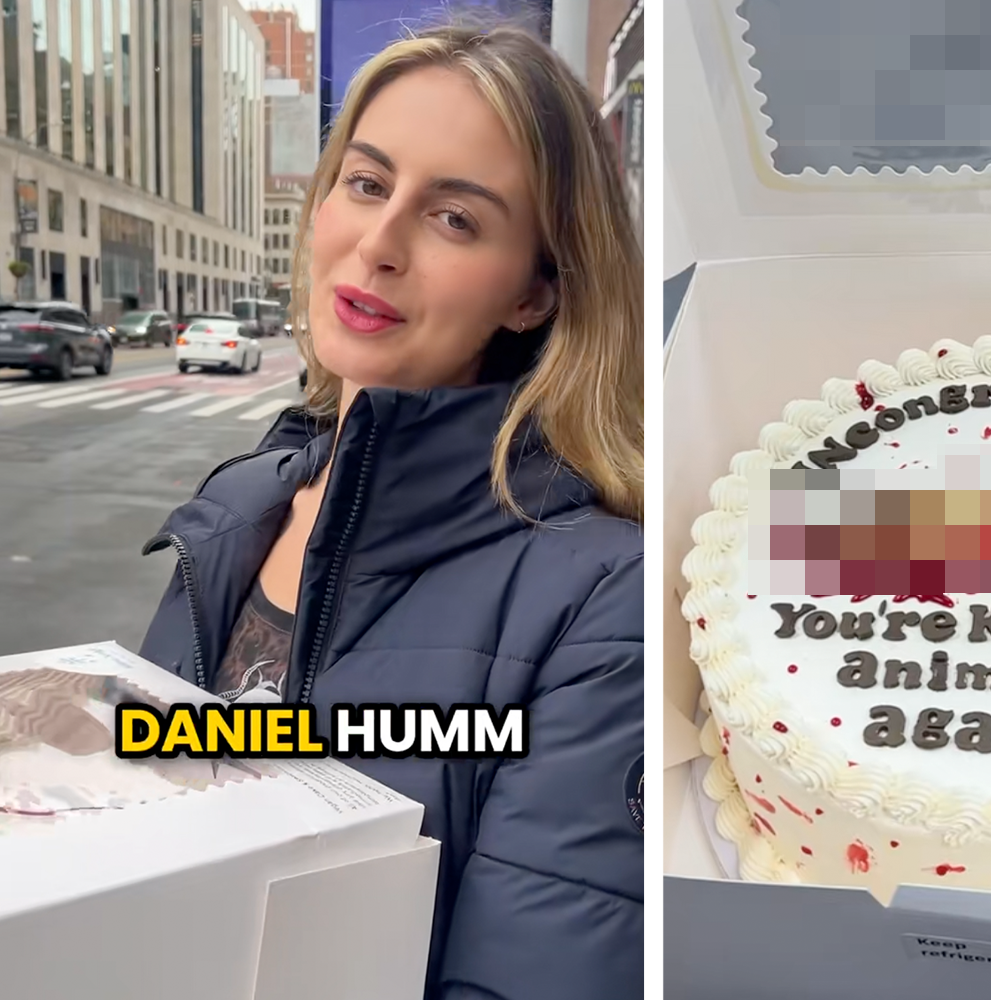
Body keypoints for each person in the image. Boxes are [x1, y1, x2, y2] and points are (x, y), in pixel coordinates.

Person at [137, 24, 643, 999]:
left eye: (454, 219)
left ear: (535, 293)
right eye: (367, 185)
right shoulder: (240, 504)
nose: (378, 244)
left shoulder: (596, 597)